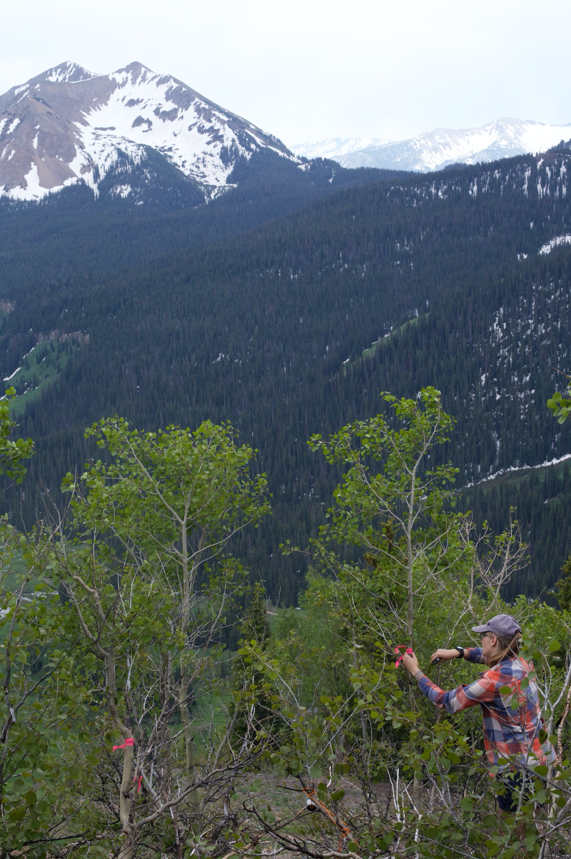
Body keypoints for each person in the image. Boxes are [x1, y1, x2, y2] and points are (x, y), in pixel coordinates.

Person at [400, 613, 556, 817]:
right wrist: (458, 652)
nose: (480, 639)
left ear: (493, 640)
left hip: (515, 769)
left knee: (509, 832)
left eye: (484, 635)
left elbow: (445, 701)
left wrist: (415, 671)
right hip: (542, 761)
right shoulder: (524, 660)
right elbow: (491, 656)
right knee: (533, 827)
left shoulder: (491, 683)